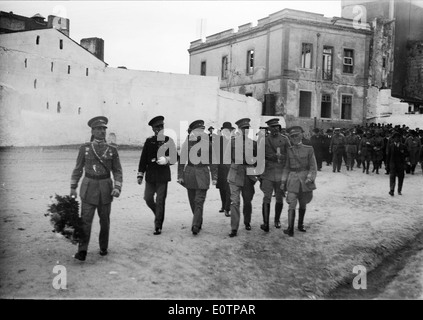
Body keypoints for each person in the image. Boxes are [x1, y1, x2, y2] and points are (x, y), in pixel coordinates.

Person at [70, 116, 123, 261]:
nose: (102, 131)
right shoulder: (85, 148)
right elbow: (78, 168)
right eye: (98, 129)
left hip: (106, 188)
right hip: (88, 188)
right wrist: (73, 187)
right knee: (85, 221)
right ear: (92, 131)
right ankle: (82, 251)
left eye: (104, 129)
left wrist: (117, 187)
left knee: (104, 221)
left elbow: (117, 171)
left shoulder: (112, 149)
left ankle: (103, 247)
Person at [137, 116, 178, 235]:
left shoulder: (168, 140)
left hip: (162, 176)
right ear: (153, 129)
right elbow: (143, 158)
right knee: (148, 198)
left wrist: (167, 159)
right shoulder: (149, 141)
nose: (160, 129)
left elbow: (175, 157)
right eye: (157, 127)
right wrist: (140, 174)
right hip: (150, 175)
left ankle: (158, 225)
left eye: (162, 126)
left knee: (160, 200)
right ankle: (158, 213)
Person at [178, 120, 218, 235]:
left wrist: (214, 176)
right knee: (192, 202)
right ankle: (198, 220)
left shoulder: (208, 144)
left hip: (203, 174)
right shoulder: (188, 143)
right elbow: (182, 161)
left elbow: (213, 161)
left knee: (199, 201)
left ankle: (195, 225)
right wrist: (180, 175)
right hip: (189, 174)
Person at [280, 126, 317, 237]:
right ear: (290, 138)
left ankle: (300, 225)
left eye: (297, 135)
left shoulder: (309, 149)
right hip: (292, 180)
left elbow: (313, 167)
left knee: (303, 204)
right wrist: (283, 182)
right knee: (291, 204)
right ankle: (290, 228)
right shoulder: (289, 151)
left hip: (305, 181)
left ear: (301, 135)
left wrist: (310, 178)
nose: (295, 138)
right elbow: (286, 167)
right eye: (292, 136)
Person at [226, 118, 258, 237]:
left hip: (248, 175)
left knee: (247, 201)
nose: (246, 130)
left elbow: (257, 160)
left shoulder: (253, 143)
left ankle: (247, 221)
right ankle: (234, 227)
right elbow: (226, 158)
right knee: (235, 202)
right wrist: (234, 166)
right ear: (239, 129)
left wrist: (254, 172)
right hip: (235, 174)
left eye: (247, 128)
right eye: (243, 128)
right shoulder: (233, 142)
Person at [259, 118, 290, 232]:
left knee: (279, 199)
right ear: (269, 129)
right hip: (267, 173)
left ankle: (277, 220)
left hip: (280, 173)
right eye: (273, 127)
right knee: (266, 197)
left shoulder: (285, 140)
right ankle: (265, 223)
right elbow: (259, 157)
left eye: (277, 127)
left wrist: (282, 157)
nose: (275, 129)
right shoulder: (264, 140)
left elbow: (290, 156)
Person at [215, 121, 235, 217]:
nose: (227, 132)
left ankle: (228, 207)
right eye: (225, 130)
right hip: (221, 168)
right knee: (222, 188)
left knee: (228, 188)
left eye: (229, 130)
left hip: (230, 167)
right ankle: (223, 205)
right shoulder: (218, 140)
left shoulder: (234, 140)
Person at [386, 132, 409, 196]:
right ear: (393, 139)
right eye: (395, 138)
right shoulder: (391, 146)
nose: (397, 139)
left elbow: (407, 154)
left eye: (398, 138)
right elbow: (388, 156)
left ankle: (399, 190)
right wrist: (387, 165)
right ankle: (392, 190)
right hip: (392, 164)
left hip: (400, 164)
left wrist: (403, 154)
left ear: (400, 139)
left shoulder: (403, 146)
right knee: (392, 177)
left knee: (401, 178)